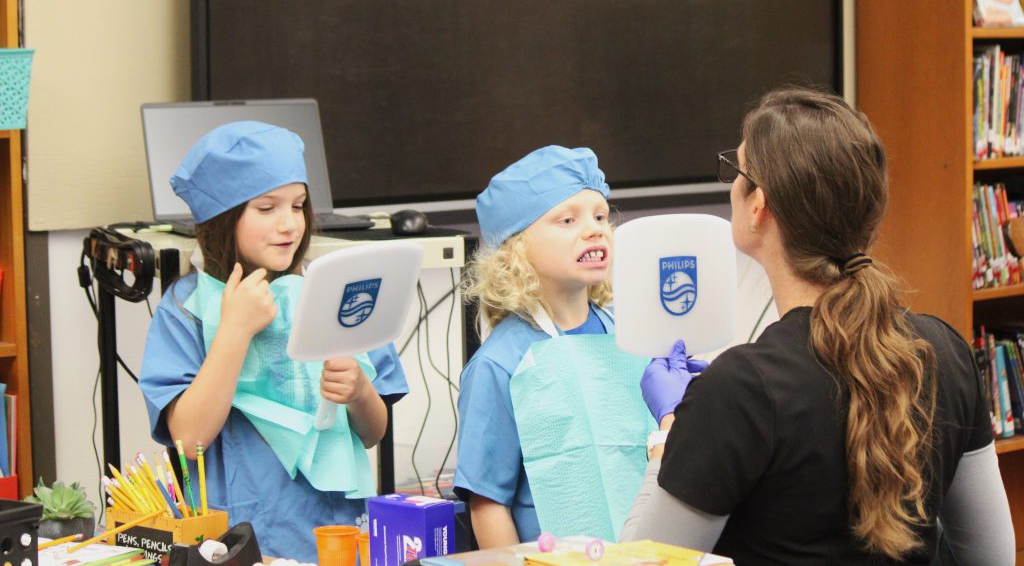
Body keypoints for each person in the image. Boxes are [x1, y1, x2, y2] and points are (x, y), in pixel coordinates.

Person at [621, 88, 1015, 565]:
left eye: (736, 170)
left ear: (758, 205)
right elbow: (992, 556)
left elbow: (644, 562)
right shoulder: (945, 352)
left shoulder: (740, 391)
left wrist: (671, 432)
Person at [138, 122, 408, 562]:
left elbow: (374, 432)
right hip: (240, 533)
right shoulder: (187, 308)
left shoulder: (336, 292)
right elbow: (189, 440)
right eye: (266, 208)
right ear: (223, 220)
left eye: (298, 206)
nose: (289, 224)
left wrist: (359, 392)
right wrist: (234, 332)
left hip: (336, 527)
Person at [455, 145, 686, 548]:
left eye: (600, 216)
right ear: (515, 250)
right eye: (567, 219)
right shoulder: (501, 363)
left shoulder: (634, 338)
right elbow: (487, 503)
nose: (596, 229)